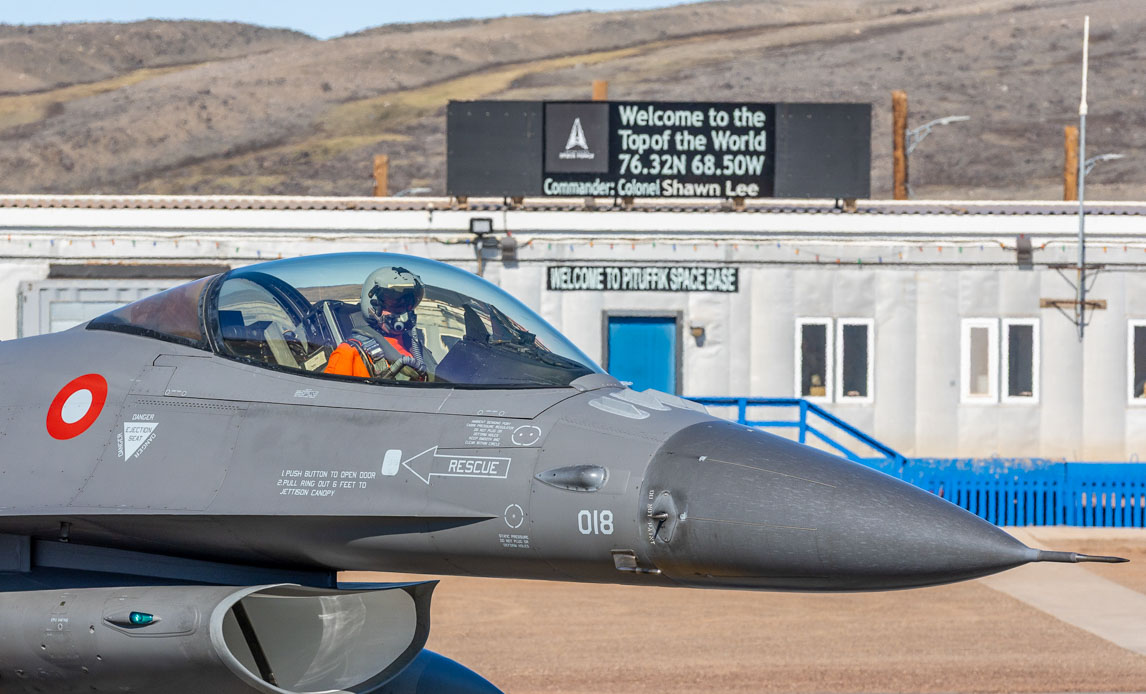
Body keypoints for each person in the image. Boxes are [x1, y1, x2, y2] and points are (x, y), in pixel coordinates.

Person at [324, 266, 430, 380]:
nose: (400, 312)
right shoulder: (348, 354)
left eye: (406, 304)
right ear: (372, 307)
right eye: (392, 304)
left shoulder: (414, 345)